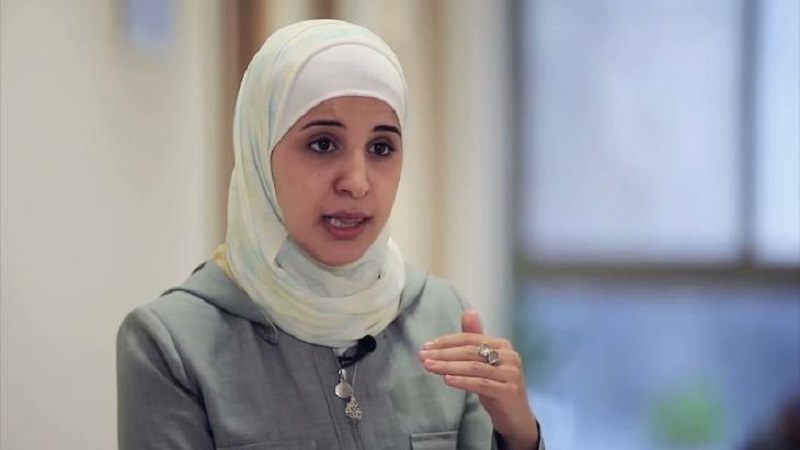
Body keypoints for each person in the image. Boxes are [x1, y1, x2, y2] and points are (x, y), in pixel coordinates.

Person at [117, 19, 544, 450]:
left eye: (381, 148)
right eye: (323, 144)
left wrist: (521, 436)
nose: (356, 182)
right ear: (259, 153)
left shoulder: (441, 317)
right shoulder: (173, 344)